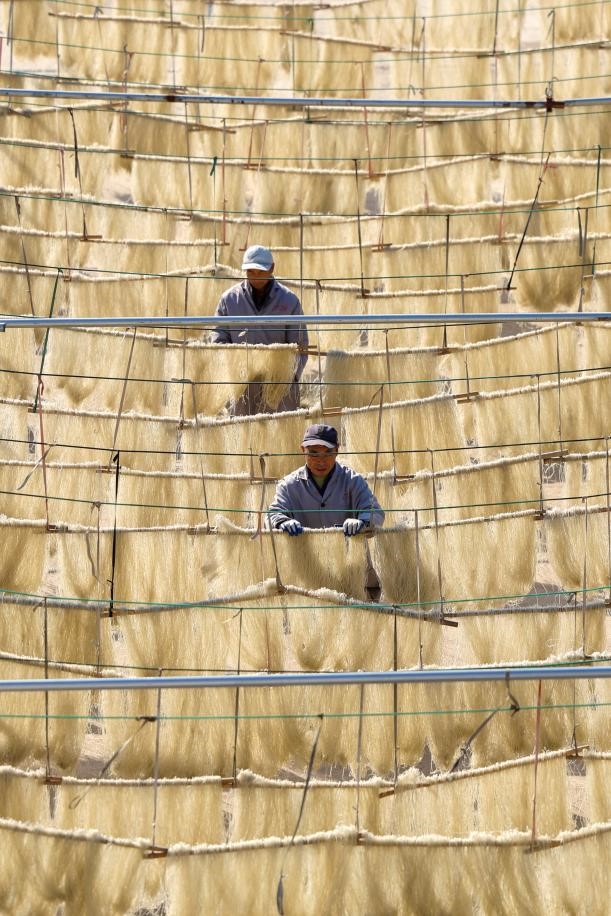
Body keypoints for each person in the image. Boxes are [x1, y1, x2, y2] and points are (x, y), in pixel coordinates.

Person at [211, 244, 308, 415]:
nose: (255, 277)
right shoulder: (229, 300)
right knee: (242, 432)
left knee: (278, 432)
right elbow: (219, 339)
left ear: (271, 268)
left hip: (279, 385)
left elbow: (300, 346)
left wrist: (288, 379)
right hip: (242, 384)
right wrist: (233, 369)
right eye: (251, 272)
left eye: (261, 272)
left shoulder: (289, 301)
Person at [267, 424, 385, 535]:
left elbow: (375, 512)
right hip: (304, 556)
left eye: (328, 453)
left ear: (337, 450)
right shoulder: (288, 486)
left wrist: (363, 522)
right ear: (303, 450)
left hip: (347, 556)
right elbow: (271, 516)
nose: (321, 461)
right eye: (314, 453)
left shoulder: (353, 481)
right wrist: (282, 522)